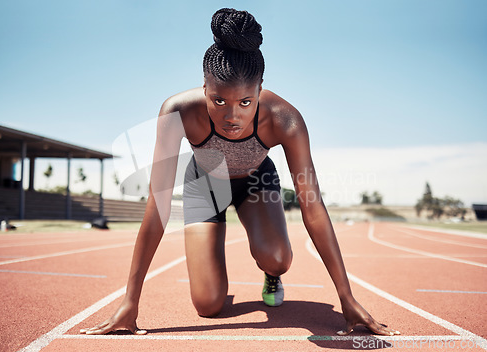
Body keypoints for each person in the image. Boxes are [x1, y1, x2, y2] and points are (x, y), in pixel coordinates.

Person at [81, 8, 399, 337]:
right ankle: (214, 274)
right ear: (204, 87)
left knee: (277, 257)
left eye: (245, 102)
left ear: (260, 89)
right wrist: (130, 302)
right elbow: (157, 206)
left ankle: (272, 275)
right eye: (219, 101)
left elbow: (312, 207)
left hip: (257, 181)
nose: (232, 116)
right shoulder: (177, 112)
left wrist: (347, 299)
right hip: (204, 184)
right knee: (208, 305)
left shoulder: (286, 119)